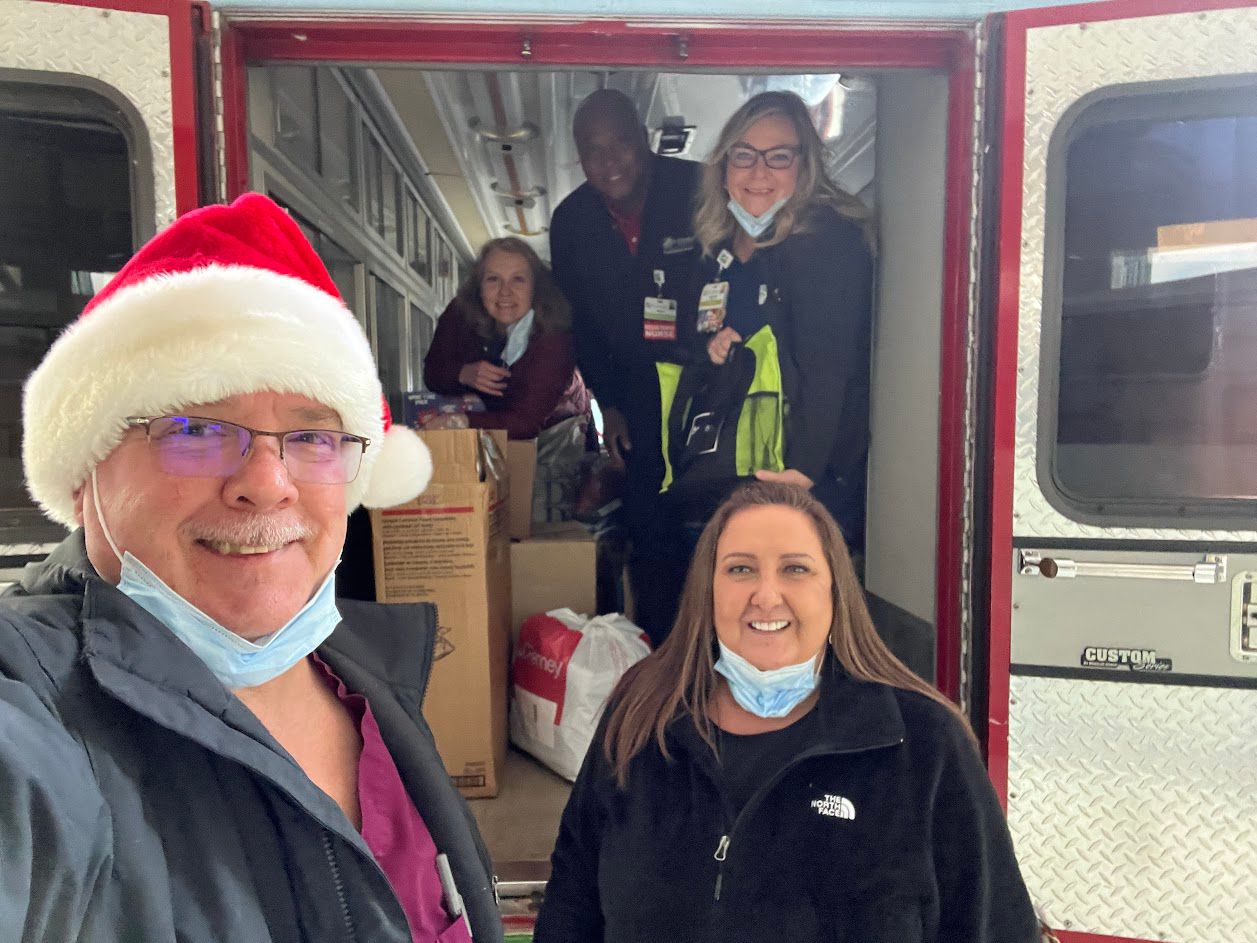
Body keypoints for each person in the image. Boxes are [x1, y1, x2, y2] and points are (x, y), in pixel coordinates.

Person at [0, 194, 502, 943]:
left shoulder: (365, 681)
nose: (266, 483)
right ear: (85, 471)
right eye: (195, 428)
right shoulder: (34, 706)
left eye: (311, 435)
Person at [534, 481, 1040, 943]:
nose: (766, 595)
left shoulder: (926, 743)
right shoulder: (641, 716)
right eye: (740, 569)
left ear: (835, 592)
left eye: (795, 569)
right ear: (707, 592)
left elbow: (995, 927)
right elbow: (572, 901)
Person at [668, 90, 875, 553]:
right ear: (723, 169)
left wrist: (803, 469)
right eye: (744, 156)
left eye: (778, 157)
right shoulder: (716, 251)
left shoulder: (825, 244)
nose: (758, 173)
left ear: (804, 167)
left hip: (799, 470)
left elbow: (830, 367)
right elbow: (692, 339)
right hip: (736, 462)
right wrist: (710, 346)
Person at [549, 88, 701, 645]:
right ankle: (662, 653)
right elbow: (581, 324)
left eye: (620, 146)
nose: (609, 163)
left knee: (717, 518)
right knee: (649, 523)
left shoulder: (698, 188)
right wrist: (605, 403)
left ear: (644, 140)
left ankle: (720, 655)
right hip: (635, 396)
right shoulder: (571, 223)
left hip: (709, 385)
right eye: (593, 151)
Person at [423, 237, 589, 441]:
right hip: (486, 431)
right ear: (478, 286)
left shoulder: (553, 336)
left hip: (555, 433)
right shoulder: (460, 313)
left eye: (518, 279)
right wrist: (462, 373)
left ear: (536, 287)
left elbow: (527, 422)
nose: (505, 292)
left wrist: (461, 422)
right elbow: (432, 374)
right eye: (493, 279)